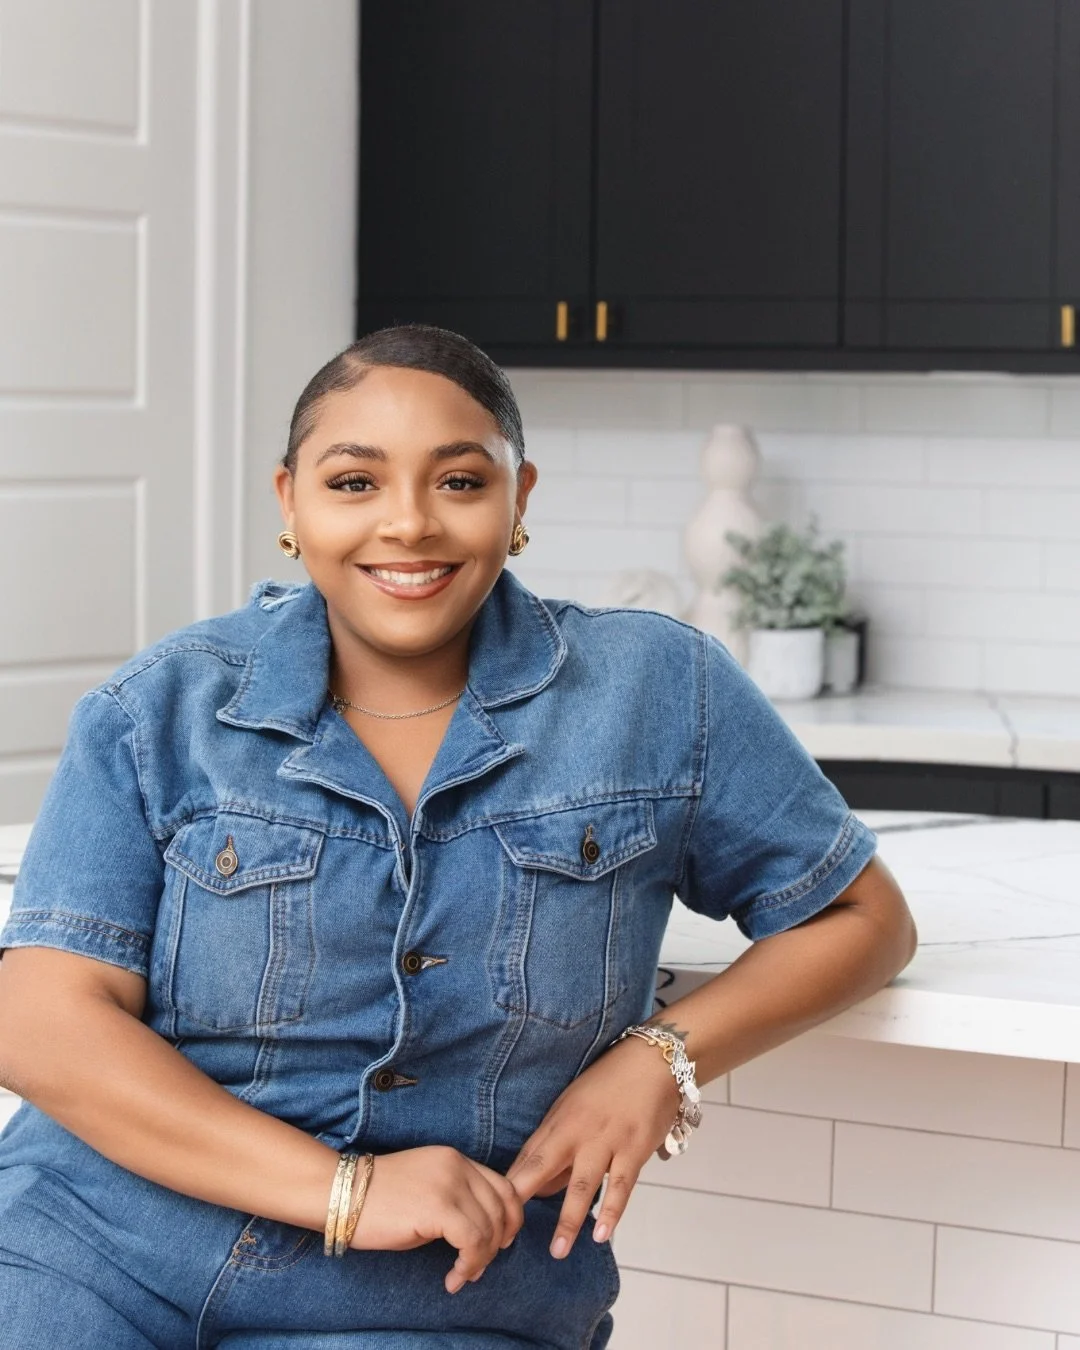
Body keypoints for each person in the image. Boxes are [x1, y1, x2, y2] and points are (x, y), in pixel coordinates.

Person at [0, 323, 917, 1348]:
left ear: (519, 501)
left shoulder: (659, 690)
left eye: (460, 483)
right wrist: (347, 1191)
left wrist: (662, 1056)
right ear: (289, 504)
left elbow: (860, 916)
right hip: (93, 1241)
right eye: (354, 483)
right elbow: (40, 1022)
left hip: (442, 1285)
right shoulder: (159, 709)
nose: (408, 525)